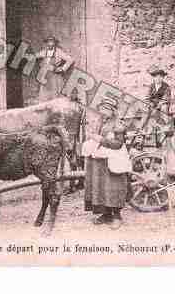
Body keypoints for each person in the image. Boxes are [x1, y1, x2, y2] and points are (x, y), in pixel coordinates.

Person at [84, 98, 129, 229]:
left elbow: (118, 144)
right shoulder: (100, 122)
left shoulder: (118, 125)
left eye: (106, 109)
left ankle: (117, 216)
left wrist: (101, 140)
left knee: (113, 188)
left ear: (112, 111)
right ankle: (105, 214)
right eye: (101, 109)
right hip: (101, 160)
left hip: (114, 160)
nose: (102, 112)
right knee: (101, 188)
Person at [35, 35, 73, 102]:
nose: (50, 44)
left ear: (54, 43)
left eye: (51, 42)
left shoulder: (59, 52)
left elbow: (70, 59)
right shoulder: (44, 51)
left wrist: (62, 68)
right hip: (45, 76)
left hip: (54, 75)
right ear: (46, 43)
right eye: (48, 42)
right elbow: (36, 55)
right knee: (43, 95)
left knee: (55, 95)